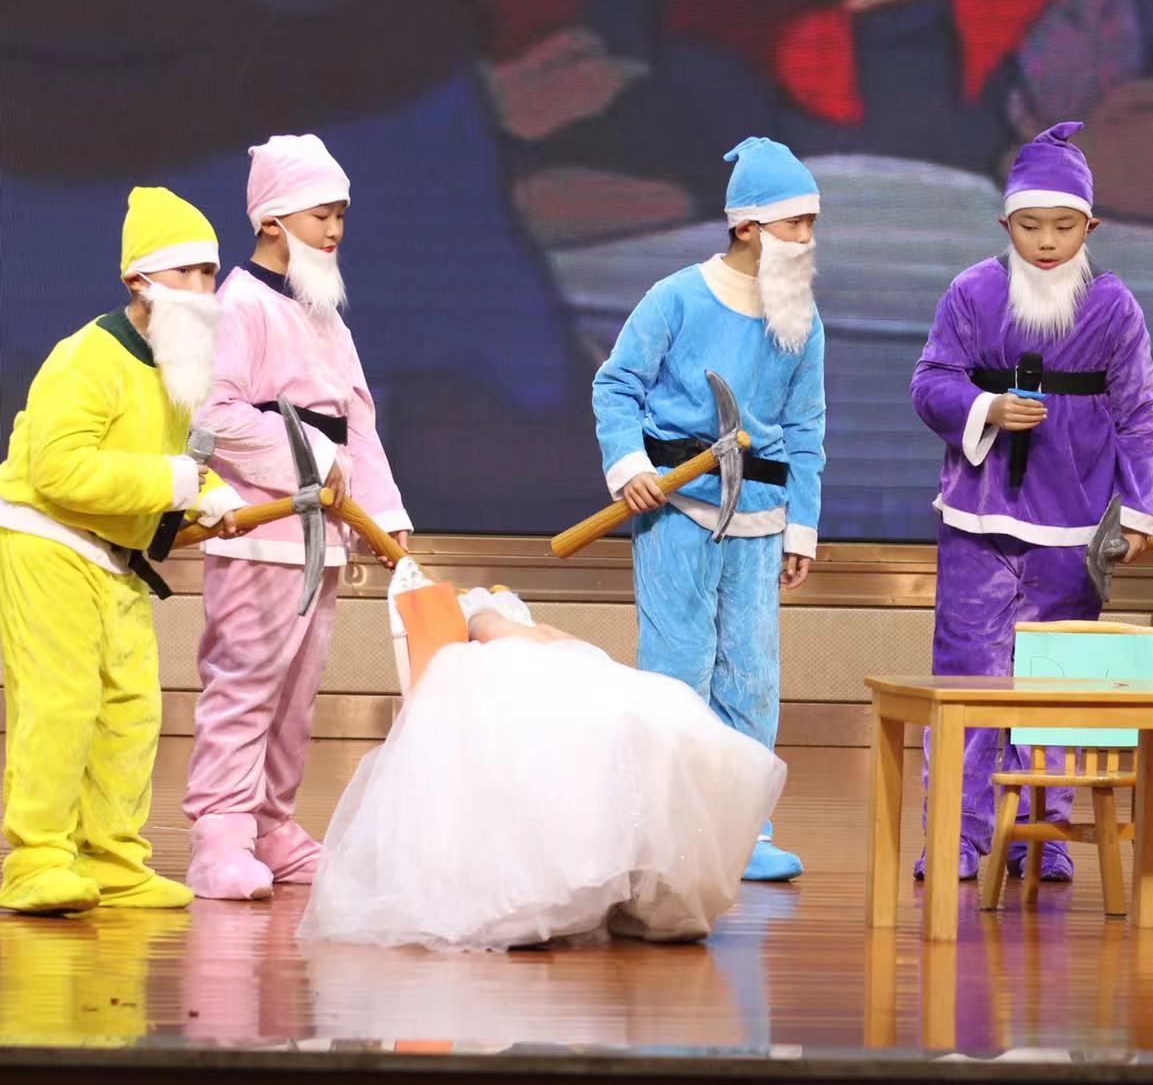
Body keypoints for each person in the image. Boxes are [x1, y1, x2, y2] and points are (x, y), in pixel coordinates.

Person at [909, 120, 1153, 880]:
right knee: (970, 676)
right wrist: (986, 407)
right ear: (1005, 224)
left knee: (1057, 681)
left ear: (1090, 227)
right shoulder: (972, 292)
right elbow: (930, 381)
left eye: (1062, 226)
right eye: (1030, 226)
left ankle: (1044, 832)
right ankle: (959, 835)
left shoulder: (1114, 306)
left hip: (1074, 523)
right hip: (979, 517)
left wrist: (1137, 513)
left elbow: (1139, 413)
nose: (1046, 242)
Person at [300, 573, 785, 950]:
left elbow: (557, 644)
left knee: (662, 722)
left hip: (569, 678)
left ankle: (652, 883)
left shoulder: (509, 629)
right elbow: (536, 642)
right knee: (654, 724)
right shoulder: (481, 626)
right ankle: (641, 883)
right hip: (545, 682)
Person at [0, 188, 242, 914]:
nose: (200, 287)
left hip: (116, 557)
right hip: (46, 543)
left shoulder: (177, 365)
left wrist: (209, 492)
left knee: (132, 709)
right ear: (138, 279)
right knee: (61, 702)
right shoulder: (86, 358)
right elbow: (58, 471)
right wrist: (173, 483)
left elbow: (177, 458)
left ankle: (111, 861)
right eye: (184, 271)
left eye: (208, 271)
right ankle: (37, 860)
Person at [184, 134, 412, 900]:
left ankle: (273, 825)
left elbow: (357, 421)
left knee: (297, 691)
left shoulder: (325, 316)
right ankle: (221, 835)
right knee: (245, 684)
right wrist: (310, 456)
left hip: (325, 536)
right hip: (262, 532)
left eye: (342, 214)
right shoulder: (239, 307)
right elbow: (213, 416)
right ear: (274, 220)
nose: (335, 230)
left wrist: (383, 509)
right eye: (322, 215)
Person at [591, 137, 826, 882]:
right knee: (677, 667)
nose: (808, 238)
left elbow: (807, 425)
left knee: (751, 673)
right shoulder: (676, 298)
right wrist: (630, 465)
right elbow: (617, 385)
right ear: (749, 226)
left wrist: (801, 525)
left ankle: (743, 828)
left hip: (760, 514)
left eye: (812, 223)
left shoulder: (800, 318)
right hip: (677, 507)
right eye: (795, 224)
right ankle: (667, 827)